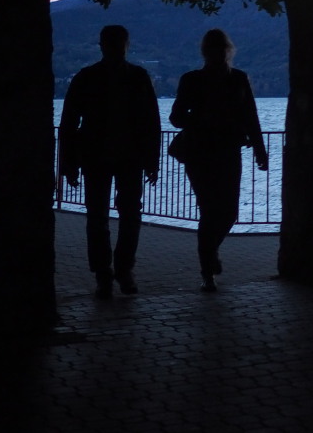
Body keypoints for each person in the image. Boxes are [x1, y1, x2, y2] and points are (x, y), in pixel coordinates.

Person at [58, 24, 162, 298]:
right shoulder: (138, 77)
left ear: (101, 44)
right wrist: (152, 159)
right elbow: (151, 122)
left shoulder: (86, 77)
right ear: (126, 44)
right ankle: (122, 270)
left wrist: (68, 162)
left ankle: (105, 274)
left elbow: (69, 122)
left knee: (98, 216)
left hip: (97, 156)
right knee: (128, 214)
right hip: (128, 157)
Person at [169, 28, 267, 291]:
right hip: (205, 153)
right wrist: (257, 148)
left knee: (225, 213)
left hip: (218, 152)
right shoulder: (207, 80)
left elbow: (251, 116)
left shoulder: (234, 79)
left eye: (220, 49)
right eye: (215, 49)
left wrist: (260, 148)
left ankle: (209, 257)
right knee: (214, 211)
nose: (218, 53)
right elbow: (176, 117)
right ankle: (207, 270)